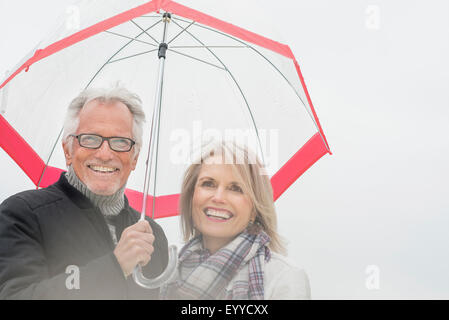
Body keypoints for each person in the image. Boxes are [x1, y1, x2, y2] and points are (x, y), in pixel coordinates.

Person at [0, 86, 168, 299]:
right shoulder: (22, 215)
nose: (105, 154)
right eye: (90, 139)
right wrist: (115, 266)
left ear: (134, 158)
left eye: (120, 142)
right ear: (68, 150)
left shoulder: (151, 234)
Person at [161, 141, 310, 300]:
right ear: (191, 197)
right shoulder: (165, 270)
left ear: (254, 209)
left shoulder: (284, 278)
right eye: (208, 184)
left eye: (235, 188)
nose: (218, 198)